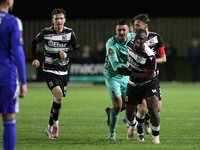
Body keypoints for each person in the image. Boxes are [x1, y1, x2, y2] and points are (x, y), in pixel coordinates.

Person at [31, 8, 80, 139]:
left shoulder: (70, 33)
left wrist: (67, 55)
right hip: (49, 70)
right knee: (58, 94)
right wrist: (35, 58)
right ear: (52, 20)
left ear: (65, 20)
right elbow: (34, 42)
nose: (59, 21)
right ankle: (55, 125)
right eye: (56, 18)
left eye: (61, 18)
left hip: (63, 71)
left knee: (59, 98)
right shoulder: (46, 32)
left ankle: (50, 126)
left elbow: (77, 50)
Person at [122, 14, 166, 135]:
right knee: (142, 108)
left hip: (152, 77)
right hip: (138, 77)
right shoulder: (133, 38)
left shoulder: (156, 38)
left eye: (137, 25)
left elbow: (163, 58)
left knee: (157, 109)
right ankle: (137, 129)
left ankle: (144, 121)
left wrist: (148, 63)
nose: (134, 27)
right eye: (134, 25)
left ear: (145, 26)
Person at [117, 29, 161, 144]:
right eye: (136, 37)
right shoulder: (129, 43)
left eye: (141, 39)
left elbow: (147, 76)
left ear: (145, 40)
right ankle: (133, 125)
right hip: (133, 84)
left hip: (148, 83)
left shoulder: (149, 56)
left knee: (153, 110)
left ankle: (155, 137)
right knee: (129, 112)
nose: (138, 41)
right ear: (134, 37)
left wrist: (129, 72)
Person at [0, 0, 27, 149]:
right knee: (9, 120)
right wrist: (23, 82)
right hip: (6, 77)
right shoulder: (13, 22)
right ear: (9, 2)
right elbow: (18, 52)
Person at [103, 20, 135, 140]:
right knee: (118, 106)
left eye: (124, 30)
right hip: (112, 76)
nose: (122, 32)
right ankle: (112, 134)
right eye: (119, 30)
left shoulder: (134, 38)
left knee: (130, 104)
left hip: (126, 75)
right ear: (116, 31)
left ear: (129, 30)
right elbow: (115, 65)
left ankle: (114, 115)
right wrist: (129, 67)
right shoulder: (111, 44)